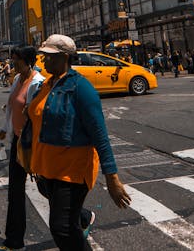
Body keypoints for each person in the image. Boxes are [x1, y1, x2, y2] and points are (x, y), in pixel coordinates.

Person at [29, 34, 131, 249]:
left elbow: (100, 135)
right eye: (44, 56)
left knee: (62, 228)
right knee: (70, 226)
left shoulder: (81, 88)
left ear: (65, 57)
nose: (45, 60)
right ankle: (85, 218)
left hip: (72, 171)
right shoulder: (47, 85)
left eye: (50, 57)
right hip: (47, 168)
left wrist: (112, 178)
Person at [0, 46, 45, 251]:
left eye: (17, 60)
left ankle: (82, 216)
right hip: (18, 141)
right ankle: (14, 240)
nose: (13, 63)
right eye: (13, 59)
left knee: (47, 187)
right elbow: (11, 107)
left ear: (29, 61)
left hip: (33, 143)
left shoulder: (37, 83)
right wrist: (4, 130)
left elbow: (37, 115)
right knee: (15, 191)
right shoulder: (17, 80)